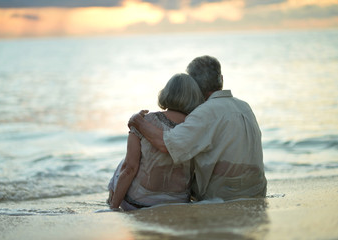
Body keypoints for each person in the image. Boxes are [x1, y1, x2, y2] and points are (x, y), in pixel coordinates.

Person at [128, 55, 267, 201]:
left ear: (193, 85)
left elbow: (166, 145)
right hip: (257, 191)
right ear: (221, 79)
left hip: (223, 197)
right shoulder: (244, 106)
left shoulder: (205, 112)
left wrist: (138, 122)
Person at [108, 73, 205, 210]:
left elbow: (130, 168)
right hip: (179, 202)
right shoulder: (194, 128)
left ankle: (111, 202)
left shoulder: (144, 121)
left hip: (139, 202)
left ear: (166, 93)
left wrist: (114, 207)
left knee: (123, 165)